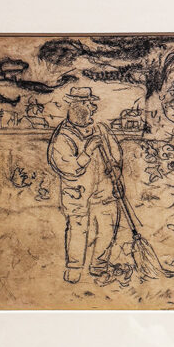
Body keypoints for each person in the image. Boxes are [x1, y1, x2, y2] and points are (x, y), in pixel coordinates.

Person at [47, 87, 123, 283]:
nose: (93, 108)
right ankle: (74, 269)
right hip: (77, 192)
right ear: (76, 107)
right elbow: (67, 166)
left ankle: (99, 266)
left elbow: (115, 152)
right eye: (88, 104)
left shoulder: (101, 129)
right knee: (78, 228)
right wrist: (87, 151)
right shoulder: (63, 136)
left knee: (107, 227)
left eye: (91, 104)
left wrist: (115, 168)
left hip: (104, 189)